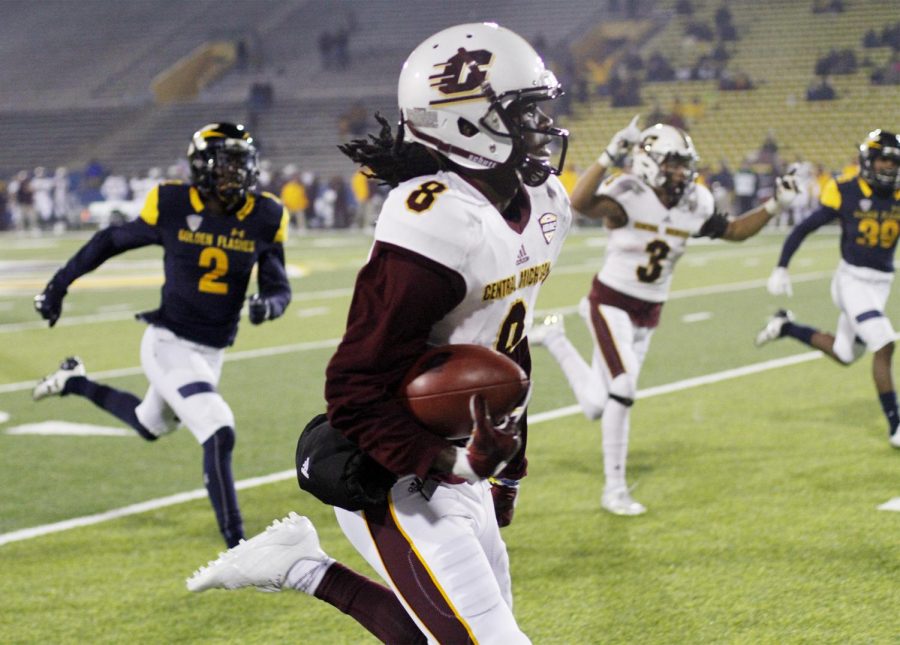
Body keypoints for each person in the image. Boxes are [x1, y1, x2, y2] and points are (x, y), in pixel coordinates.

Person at [186, 23, 572, 643]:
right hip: (396, 465)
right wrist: (452, 462)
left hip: (462, 455)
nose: (543, 128)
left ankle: (301, 566)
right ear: (466, 123)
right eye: (524, 113)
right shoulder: (439, 218)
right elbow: (355, 386)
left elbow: (507, 345)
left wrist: (507, 468)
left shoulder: (545, 204)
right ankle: (304, 567)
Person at [31, 123, 291, 548]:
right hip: (168, 341)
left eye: (243, 164)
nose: (237, 174)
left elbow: (278, 285)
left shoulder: (264, 214)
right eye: (228, 164)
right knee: (218, 429)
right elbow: (109, 240)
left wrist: (270, 305)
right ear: (203, 166)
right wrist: (58, 285)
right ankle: (240, 546)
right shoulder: (171, 202)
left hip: (211, 350)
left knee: (148, 424)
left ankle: (73, 380)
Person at [529, 118, 799, 516]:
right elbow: (580, 203)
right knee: (624, 387)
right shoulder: (628, 191)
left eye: (683, 163)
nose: (680, 171)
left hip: (648, 312)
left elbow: (736, 230)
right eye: (672, 163)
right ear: (648, 161)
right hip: (610, 303)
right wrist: (607, 156)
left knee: (597, 406)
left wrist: (776, 205)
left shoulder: (696, 201)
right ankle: (614, 490)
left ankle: (555, 340)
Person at [756, 130, 900, 447]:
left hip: (880, 285)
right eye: (883, 161)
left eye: (894, 162)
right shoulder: (845, 191)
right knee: (885, 343)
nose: (889, 168)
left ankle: (786, 327)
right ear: (868, 162)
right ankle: (896, 427)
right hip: (851, 281)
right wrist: (782, 264)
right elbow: (805, 227)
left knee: (845, 353)